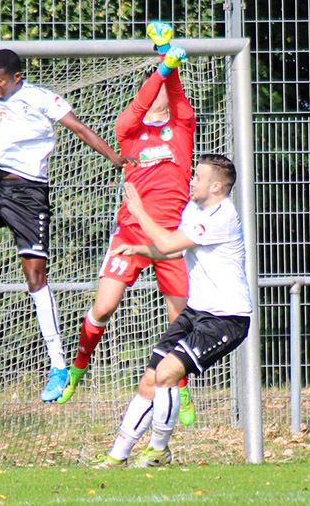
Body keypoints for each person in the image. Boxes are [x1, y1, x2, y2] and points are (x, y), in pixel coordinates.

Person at [0, 49, 128, 402]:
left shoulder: (41, 98)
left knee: (35, 278)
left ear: (17, 77)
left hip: (30, 196)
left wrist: (115, 158)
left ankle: (58, 366)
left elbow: (79, 128)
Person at [59, 21, 198, 424]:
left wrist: (168, 66)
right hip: (130, 233)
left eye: (161, 95)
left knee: (181, 319)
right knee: (104, 306)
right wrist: (162, 69)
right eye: (152, 93)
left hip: (170, 239)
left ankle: (181, 388)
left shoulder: (182, 130)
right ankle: (79, 366)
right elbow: (140, 105)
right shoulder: (128, 132)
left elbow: (176, 94)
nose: (156, 101)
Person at [93, 154, 250, 467]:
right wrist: (140, 249)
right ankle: (117, 456)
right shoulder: (195, 209)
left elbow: (166, 244)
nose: (192, 181)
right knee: (149, 380)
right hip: (196, 312)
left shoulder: (222, 215)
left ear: (217, 186)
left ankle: (158, 452)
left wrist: (138, 210)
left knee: (166, 374)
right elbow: (177, 246)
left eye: (199, 177)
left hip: (226, 319)